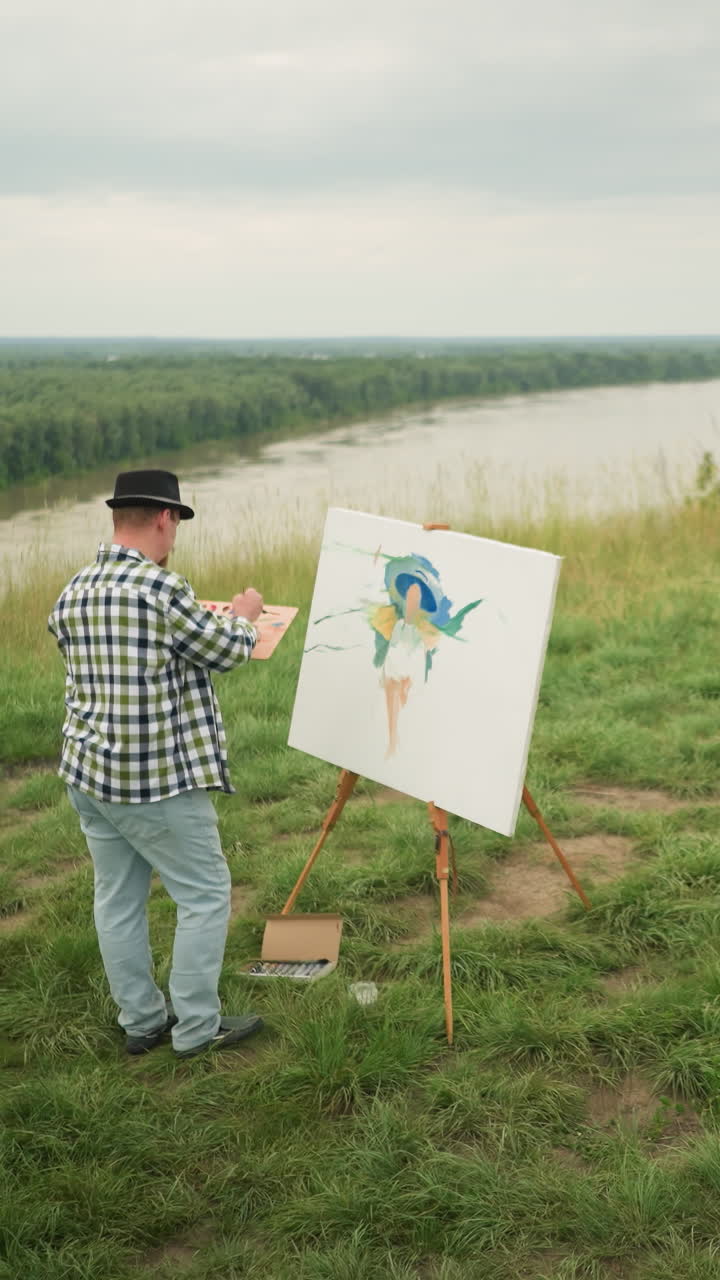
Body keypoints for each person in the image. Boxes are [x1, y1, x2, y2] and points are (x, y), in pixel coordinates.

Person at [48, 469, 265, 1059]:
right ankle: (196, 1030)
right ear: (165, 518)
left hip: (88, 772)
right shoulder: (160, 590)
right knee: (205, 892)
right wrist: (245, 614)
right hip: (151, 780)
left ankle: (142, 1021)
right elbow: (225, 651)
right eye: (176, 524)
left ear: (119, 518)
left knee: (116, 896)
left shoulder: (75, 588)